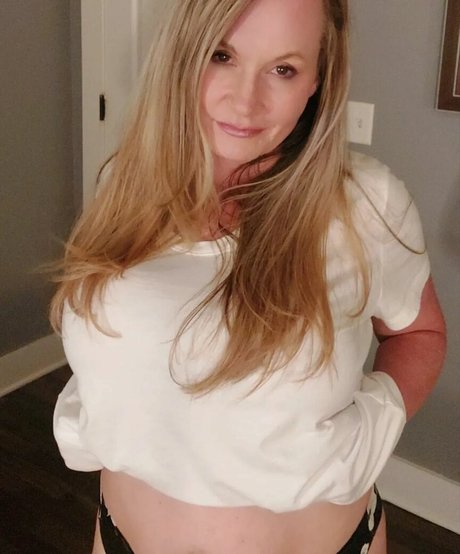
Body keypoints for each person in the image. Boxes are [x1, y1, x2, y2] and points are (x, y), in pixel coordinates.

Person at [51, 0, 446, 552]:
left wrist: (377, 421)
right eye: (222, 55)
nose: (245, 100)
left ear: (318, 81)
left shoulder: (366, 203)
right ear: (183, 55)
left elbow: (419, 331)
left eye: (283, 69)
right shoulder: (126, 183)